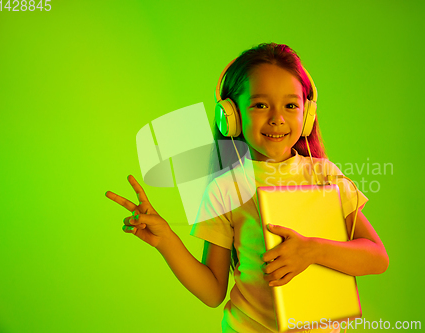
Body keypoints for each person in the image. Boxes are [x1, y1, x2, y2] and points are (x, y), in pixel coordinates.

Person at [106, 42, 389, 333]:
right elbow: (213, 291)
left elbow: (377, 257)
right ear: (231, 116)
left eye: (291, 105)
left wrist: (312, 251)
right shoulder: (226, 188)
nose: (277, 117)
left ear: (308, 115)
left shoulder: (324, 175)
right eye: (260, 105)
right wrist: (166, 240)